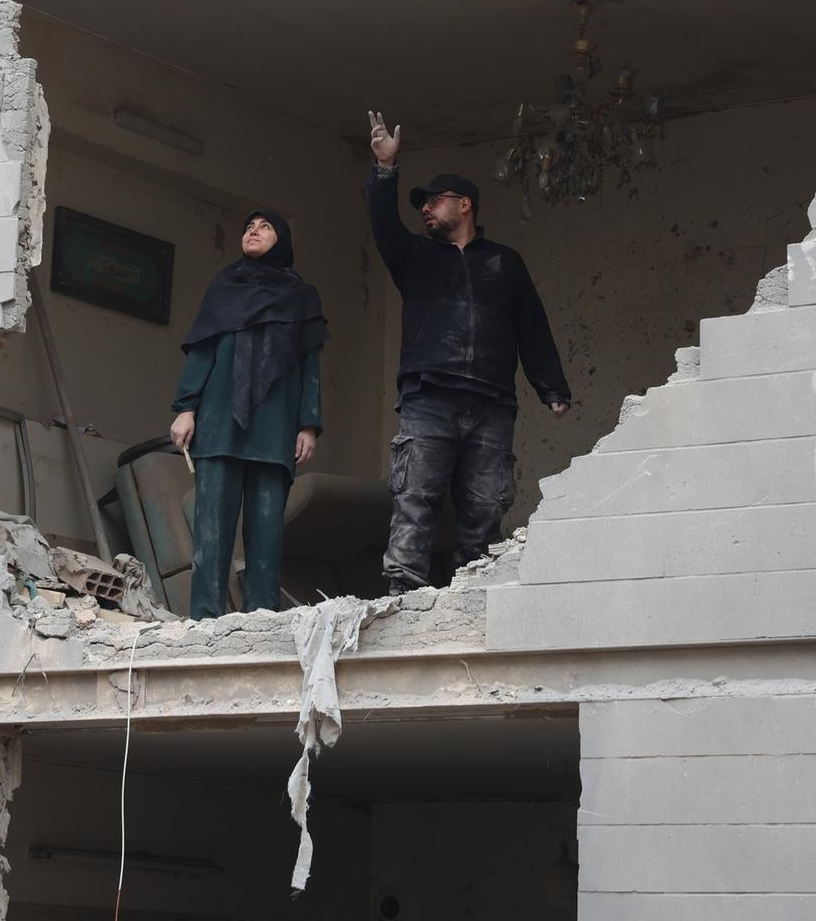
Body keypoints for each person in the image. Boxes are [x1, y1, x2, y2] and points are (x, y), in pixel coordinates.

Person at [365, 111, 571, 595]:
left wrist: (552, 386)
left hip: (491, 404)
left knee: (485, 511)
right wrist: (384, 171)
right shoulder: (415, 257)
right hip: (429, 396)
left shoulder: (505, 262)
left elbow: (532, 327)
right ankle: (402, 603)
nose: (425, 211)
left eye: (434, 202)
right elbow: (382, 222)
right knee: (415, 500)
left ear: (465, 205)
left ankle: (473, 607)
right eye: (422, 205)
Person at [169, 210, 326, 618]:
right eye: (248, 227)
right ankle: (205, 620)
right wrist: (186, 408)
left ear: (283, 239)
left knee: (267, 529)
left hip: (275, 427)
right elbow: (202, 349)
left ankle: (262, 620)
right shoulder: (223, 288)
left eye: (265, 226)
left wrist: (308, 423)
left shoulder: (301, 297)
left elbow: (310, 365)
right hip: (219, 422)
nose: (253, 231)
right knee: (211, 529)